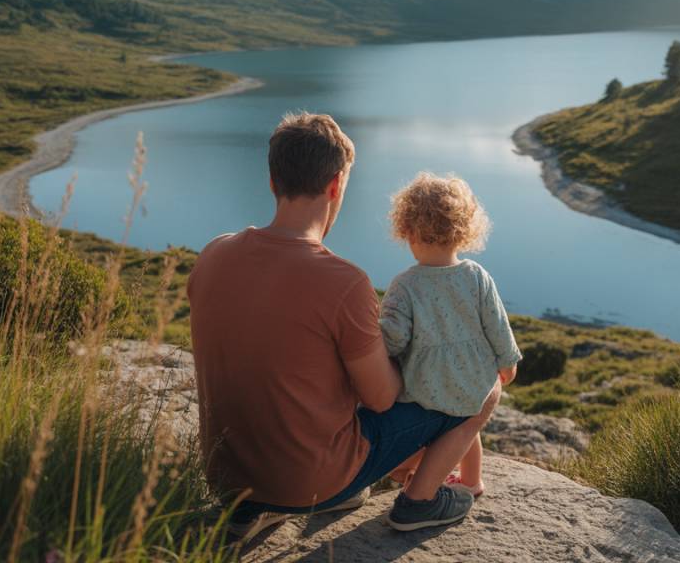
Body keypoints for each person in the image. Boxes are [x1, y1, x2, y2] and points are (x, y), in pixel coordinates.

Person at [188, 112, 499, 542]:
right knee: (486, 391)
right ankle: (420, 503)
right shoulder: (343, 281)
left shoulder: (213, 254)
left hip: (228, 477)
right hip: (308, 483)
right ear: (336, 185)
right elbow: (383, 397)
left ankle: (254, 509)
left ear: (273, 181)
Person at [380, 172, 521, 498]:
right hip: (475, 380)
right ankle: (472, 482)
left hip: (427, 385)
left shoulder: (405, 285)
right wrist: (508, 365)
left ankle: (422, 473)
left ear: (408, 229)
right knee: (467, 422)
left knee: (445, 429)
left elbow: (393, 341)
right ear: (463, 231)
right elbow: (497, 326)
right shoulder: (476, 275)